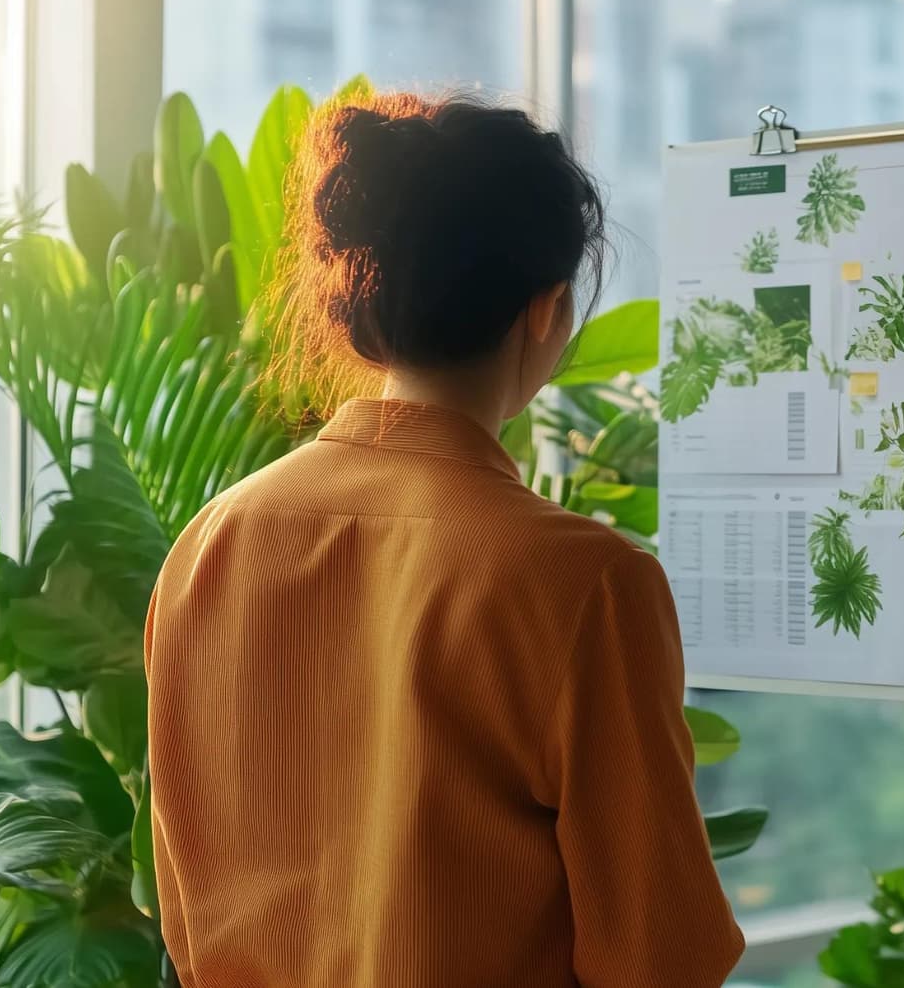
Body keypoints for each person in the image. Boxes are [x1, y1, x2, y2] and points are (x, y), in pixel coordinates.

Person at [145, 92, 742, 987]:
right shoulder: (582, 582)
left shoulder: (212, 544)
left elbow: (190, 917)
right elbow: (657, 957)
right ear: (543, 311)